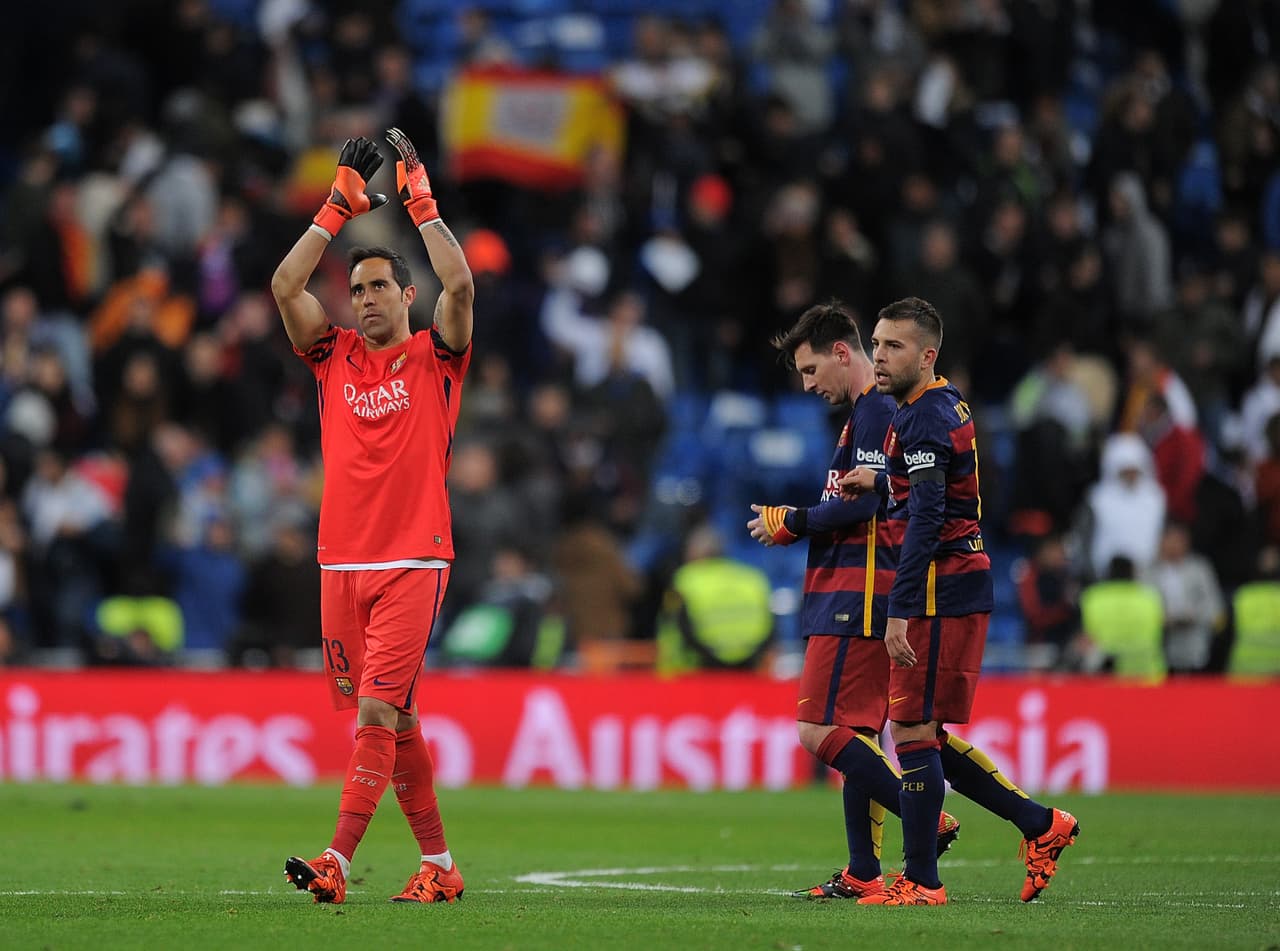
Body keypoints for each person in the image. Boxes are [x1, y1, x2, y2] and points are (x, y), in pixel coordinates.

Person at [270, 129, 474, 905]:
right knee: (397, 721)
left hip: (414, 558)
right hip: (339, 563)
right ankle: (440, 865)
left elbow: (462, 288)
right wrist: (335, 207)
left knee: (379, 710)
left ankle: (336, 859)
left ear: (405, 294)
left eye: (379, 286)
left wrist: (421, 201)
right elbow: (286, 288)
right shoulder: (332, 357)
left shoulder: (436, 356)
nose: (365, 299)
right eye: (356, 290)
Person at [838, 297, 1079, 906]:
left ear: (927, 354)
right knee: (926, 734)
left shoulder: (922, 417)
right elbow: (937, 489)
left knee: (913, 731)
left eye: (894, 346)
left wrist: (899, 608)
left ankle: (921, 881)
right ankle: (1039, 824)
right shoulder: (932, 406)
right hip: (954, 580)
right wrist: (883, 479)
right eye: (877, 342)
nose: (880, 356)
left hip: (941, 587)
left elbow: (925, 519)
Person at [746, 300, 959, 901]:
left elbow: (863, 505)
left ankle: (922, 815)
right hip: (851, 589)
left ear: (843, 352)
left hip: (859, 594)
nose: (809, 385)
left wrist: (793, 519)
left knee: (816, 730)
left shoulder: (873, 413)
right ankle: (864, 872)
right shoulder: (866, 415)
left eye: (812, 371)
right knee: (855, 734)